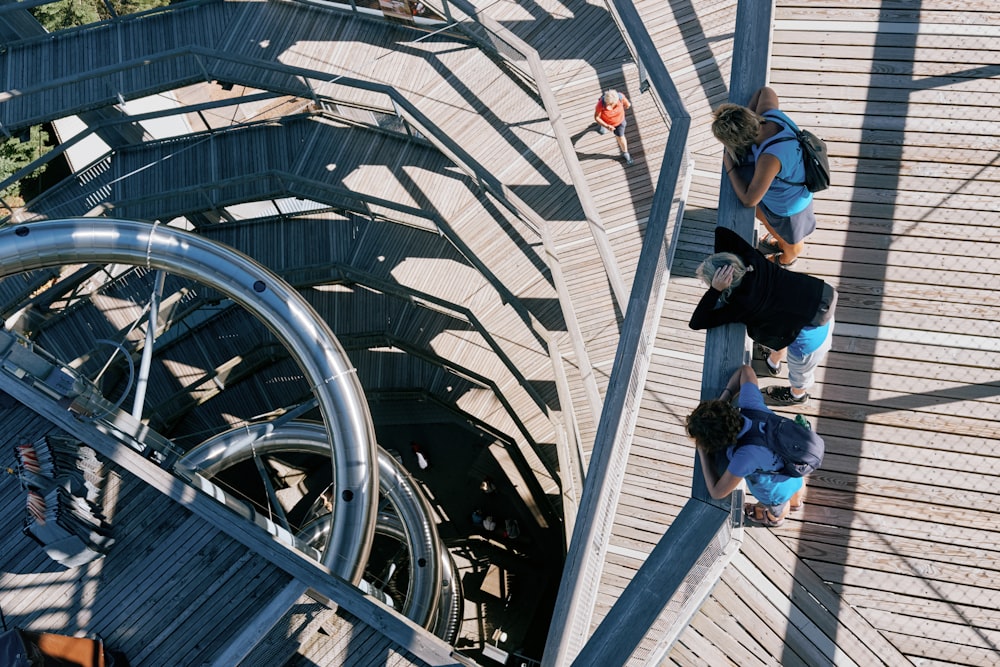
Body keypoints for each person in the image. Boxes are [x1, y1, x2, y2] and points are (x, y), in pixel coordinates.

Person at [689, 226, 836, 406]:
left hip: (810, 341)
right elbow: (721, 232)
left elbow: (697, 322)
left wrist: (715, 290)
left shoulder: (741, 305)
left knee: (800, 373)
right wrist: (727, 263)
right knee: (783, 326)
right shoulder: (754, 261)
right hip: (817, 305)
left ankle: (797, 394)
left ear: (726, 286)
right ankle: (772, 363)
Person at [687, 364, 805, 527]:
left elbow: (717, 492)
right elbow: (746, 371)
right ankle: (797, 503)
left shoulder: (745, 457)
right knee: (797, 486)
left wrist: (702, 452)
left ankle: (774, 519)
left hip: (776, 491)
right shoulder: (752, 406)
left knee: (778, 508)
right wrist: (722, 403)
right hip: (796, 464)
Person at [712, 86, 816, 266]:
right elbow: (764, 91)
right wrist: (746, 119)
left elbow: (749, 200)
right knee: (770, 222)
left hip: (789, 207)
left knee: (793, 242)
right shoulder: (769, 115)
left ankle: (786, 259)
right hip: (795, 183)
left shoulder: (770, 158)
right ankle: (779, 243)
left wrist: (730, 166)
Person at [594, 89, 633, 166]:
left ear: (616, 101)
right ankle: (603, 126)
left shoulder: (620, 97)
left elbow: (627, 105)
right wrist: (606, 125)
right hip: (607, 122)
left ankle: (625, 153)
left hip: (619, 122)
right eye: (606, 103)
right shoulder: (600, 104)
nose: (607, 106)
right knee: (602, 120)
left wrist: (623, 108)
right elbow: (597, 117)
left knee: (620, 136)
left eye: (610, 104)